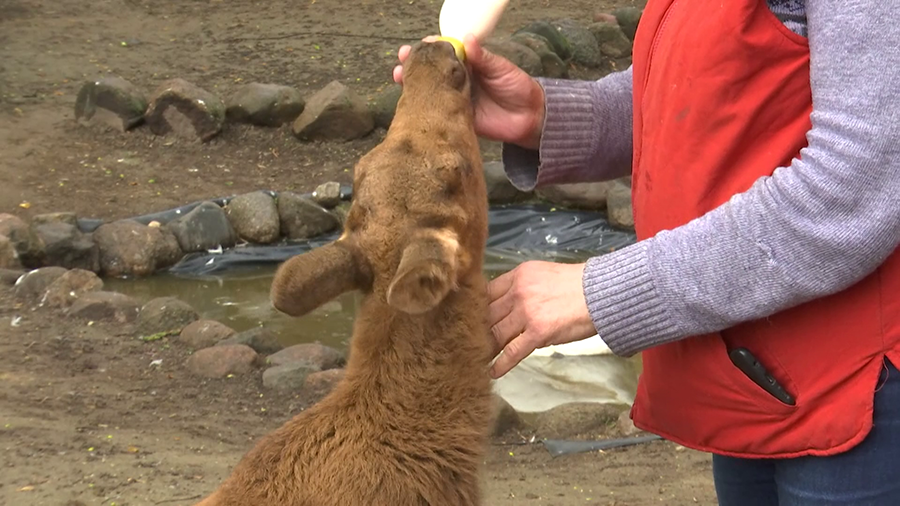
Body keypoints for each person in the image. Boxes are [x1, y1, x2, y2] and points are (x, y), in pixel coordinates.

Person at [393, 0, 900, 504]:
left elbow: (855, 189)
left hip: (855, 387)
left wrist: (600, 294)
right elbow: (716, 82)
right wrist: (549, 116)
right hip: (754, 370)